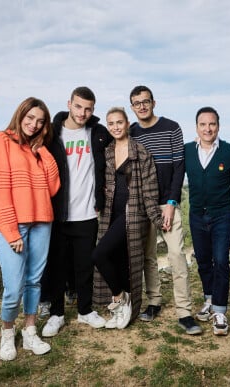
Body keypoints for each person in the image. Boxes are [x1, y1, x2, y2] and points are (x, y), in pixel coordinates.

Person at [0, 97, 60, 361]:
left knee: (33, 282)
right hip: (14, 225)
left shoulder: (39, 149)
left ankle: (29, 331)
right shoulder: (1, 141)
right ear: (20, 115)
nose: (34, 124)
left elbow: (53, 187)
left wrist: (43, 151)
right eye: (30, 118)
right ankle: (7, 333)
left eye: (40, 121)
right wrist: (11, 231)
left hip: (42, 222)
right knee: (14, 287)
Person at [129, 85, 201, 335]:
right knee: (148, 256)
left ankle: (185, 312)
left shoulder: (172, 127)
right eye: (137, 103)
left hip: (167, 203)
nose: (142, 106)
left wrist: (171, 204)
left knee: (176, 255)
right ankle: (154, 302)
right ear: (132, 107)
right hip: (142, 205)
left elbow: (179, 167)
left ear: (153, 102)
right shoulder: (131, 133)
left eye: (145, 101)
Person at [41, 87, 113, 338]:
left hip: (87, 212)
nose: (83, 113)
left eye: (88, 108)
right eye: (79, 106)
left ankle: (85, 310)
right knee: (57, 267)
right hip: (58, 213)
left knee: (84, 266)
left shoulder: (98, 133)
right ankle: (56, 314)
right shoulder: (52, 133)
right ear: (69, 104)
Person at [92, 107, 168, 329]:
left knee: (99, 255)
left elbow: (150, 190)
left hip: (133, 214)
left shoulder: (141, 153)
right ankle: (124, 308)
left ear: (127, 124)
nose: (116, 127)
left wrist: (156, 217)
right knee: (118, 260)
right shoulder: (107, 152)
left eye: (119, 122)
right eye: (111, 124)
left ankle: (120, 298)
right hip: (110, 213)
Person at [184, 107, 230, 336]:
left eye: (212, 124)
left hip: (222, 214)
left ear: (218, 126)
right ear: (197, 127)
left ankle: (220, 311)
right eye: (203, 124)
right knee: (204, 261)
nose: (208, 128)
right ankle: (209, 298)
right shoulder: (187, 150)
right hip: (196, 214)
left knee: (221, 260)